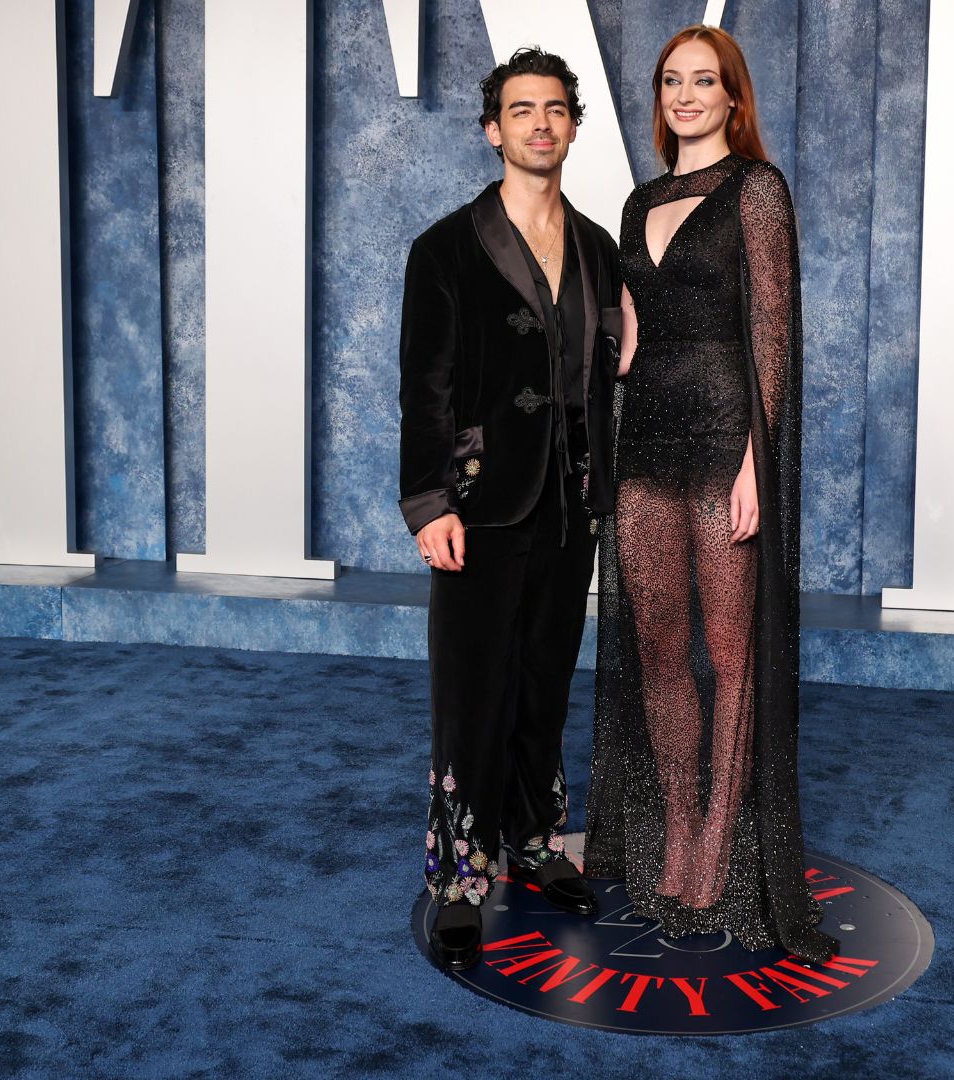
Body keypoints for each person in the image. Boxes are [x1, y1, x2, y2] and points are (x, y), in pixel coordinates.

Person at [583, 24, 838, 963]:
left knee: (729, 653)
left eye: (703, 81)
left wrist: (755, 466)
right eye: (670, 81)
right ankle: (676, 824)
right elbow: (634, 341)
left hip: (726, 434)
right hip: (645, 436)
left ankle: (716, 844)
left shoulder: (757, 191)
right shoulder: (637, 200)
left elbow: (770, 336)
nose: (684, 95)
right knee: (656, 646)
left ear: (734, 96)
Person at [399, 47, 624, 972]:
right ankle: (460, 878)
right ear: (493, 130)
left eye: (555, 109)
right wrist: (427, 505)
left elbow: (607, 373)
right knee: (472, 693)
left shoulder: (602, 248)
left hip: (572, 507)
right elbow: (426, 390)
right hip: (481, 507)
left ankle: (534, 843)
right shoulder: (444, 248)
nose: (540, 123)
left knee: (544, 683)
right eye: (520, 110)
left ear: (575, 126)